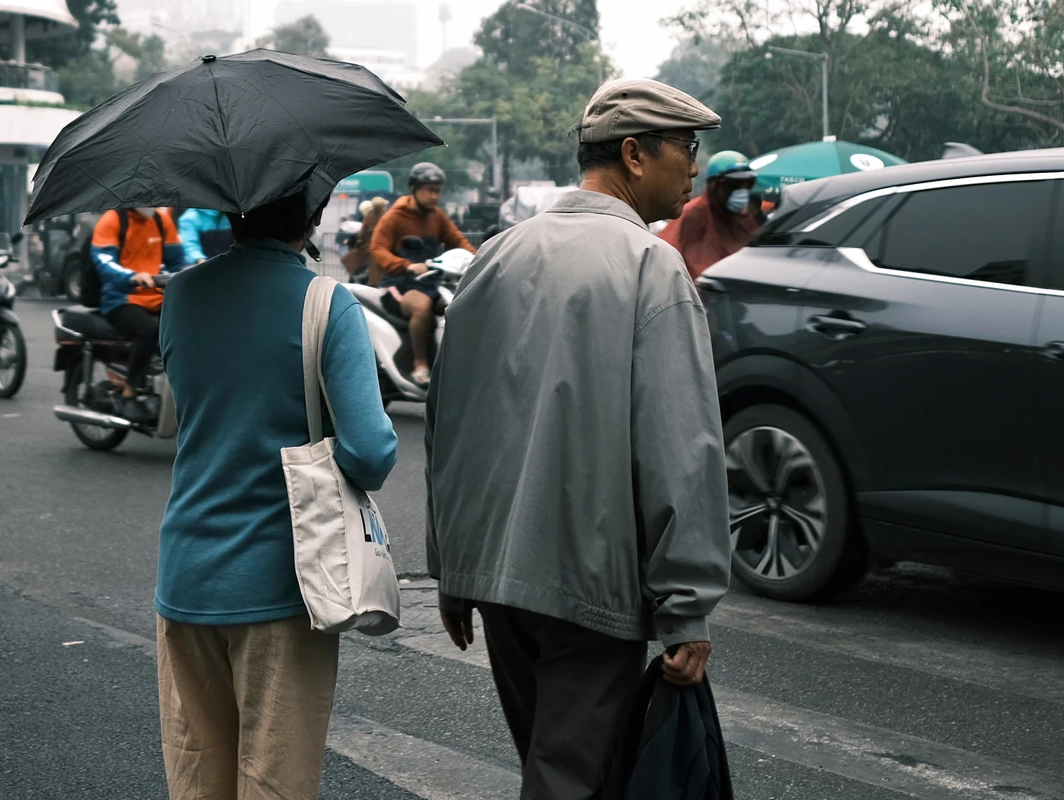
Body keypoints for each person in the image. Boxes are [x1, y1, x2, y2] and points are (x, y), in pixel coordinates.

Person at [425, 79, 732, 800]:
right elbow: (681, 447)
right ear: (633, 154)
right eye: (686, 149)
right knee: (571, 782)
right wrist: (686, 605)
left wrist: (453, 565)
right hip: (588, 583)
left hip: (500, 578)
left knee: (552, 763)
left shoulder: (496, 255)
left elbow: (449, 424)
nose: (695, 167)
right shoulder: (650, 268)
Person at [155, 188, 398, 800]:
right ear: (314, 214)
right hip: (283, 583)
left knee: (195, 777)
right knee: (275, 782)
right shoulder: (326, 302)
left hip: (185, 574)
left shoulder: (180, 295)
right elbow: (370, 453)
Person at [369, 163, 473, 384]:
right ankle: (420, 365)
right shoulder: (395, 216)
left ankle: (451, 363)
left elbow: (459, 241)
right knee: (422, 306)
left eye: (438, 190)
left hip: (430, 283)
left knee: (458, 306)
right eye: (429, 190)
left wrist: (481, 259)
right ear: (414, 189)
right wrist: (406, 265)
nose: (435, 195)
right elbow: (377, 249)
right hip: (398, 284)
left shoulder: (437, 216)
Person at [93, 205, 181, 412]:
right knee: (148, 330)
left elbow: (177, 260)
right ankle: (129, 390)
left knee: (186, 328)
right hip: (122, 298)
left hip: (157, 296)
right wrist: (131, 277)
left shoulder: (161, 221)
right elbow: (104, 260)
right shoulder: (112, 220)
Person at [660, 150, 763, 282]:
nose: (741, 192)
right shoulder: (693, 215)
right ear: (715, 186)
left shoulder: (745, 217)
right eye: (734, 185)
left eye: (746, 184)